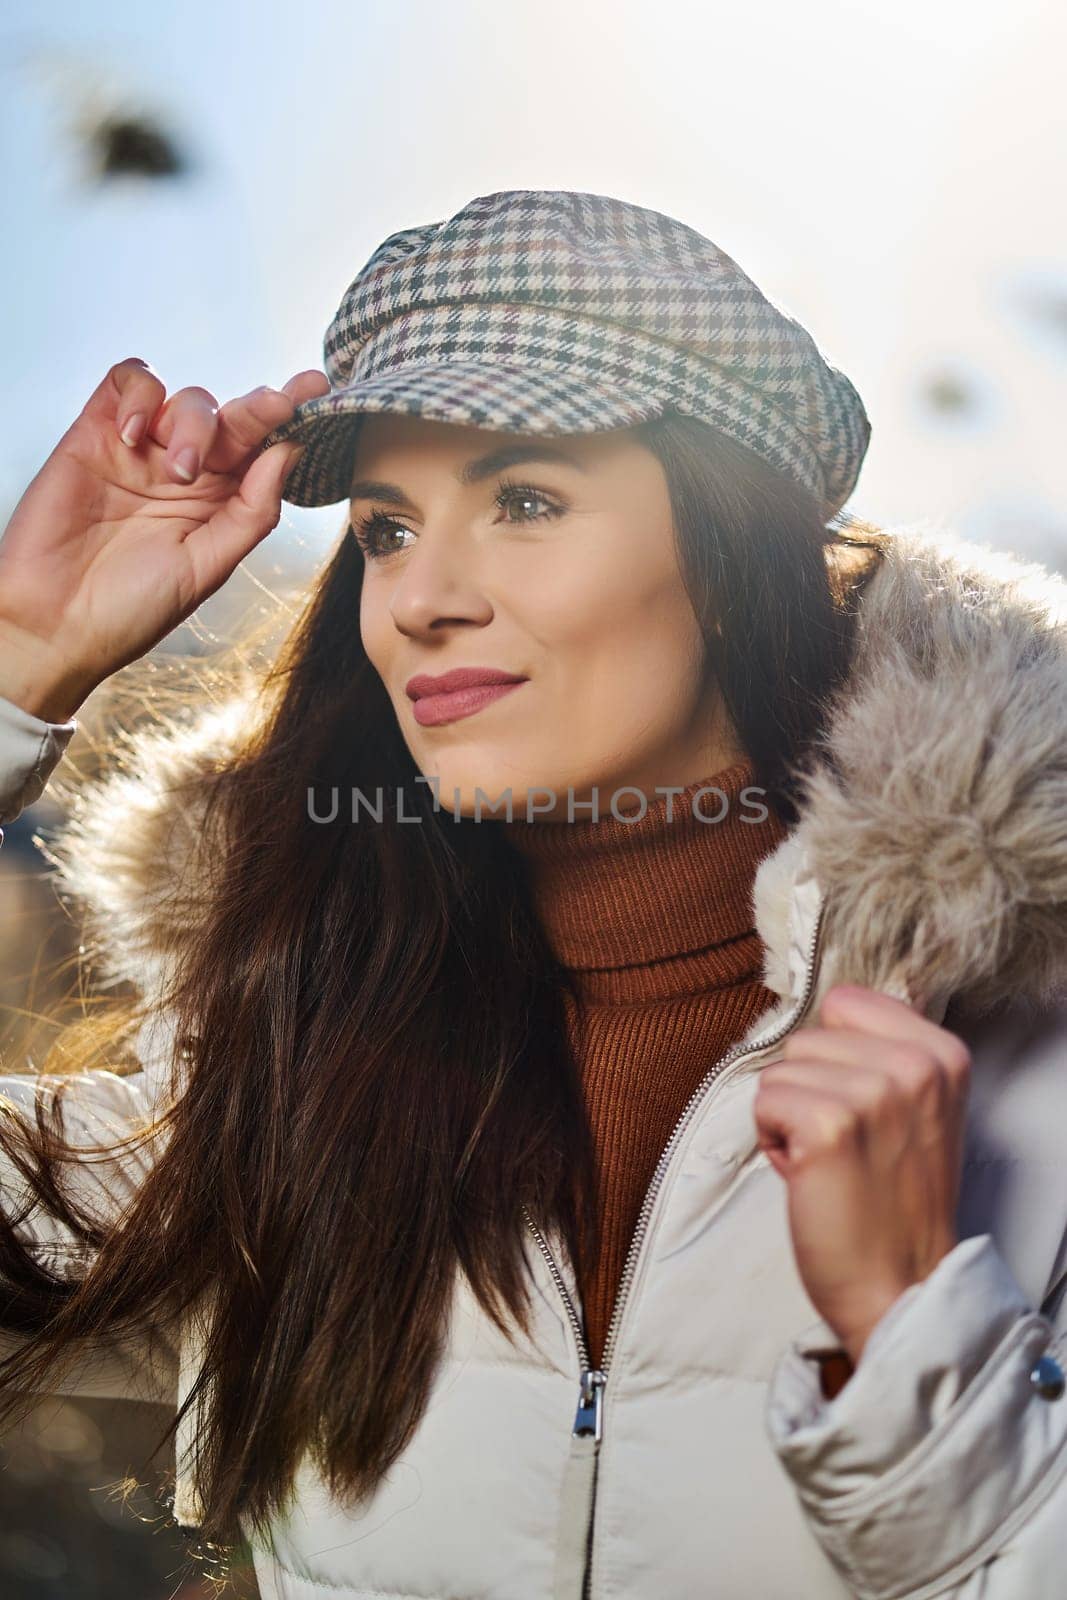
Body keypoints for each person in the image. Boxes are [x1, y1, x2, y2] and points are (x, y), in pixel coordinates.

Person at [2, 187, 1067, 1600]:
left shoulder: (1030, 1061)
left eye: (525, 500)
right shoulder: (297, 1043)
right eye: (384, 529)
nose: (420, 597)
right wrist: (19, 672)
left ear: (736, 556)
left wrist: (909, 1349)